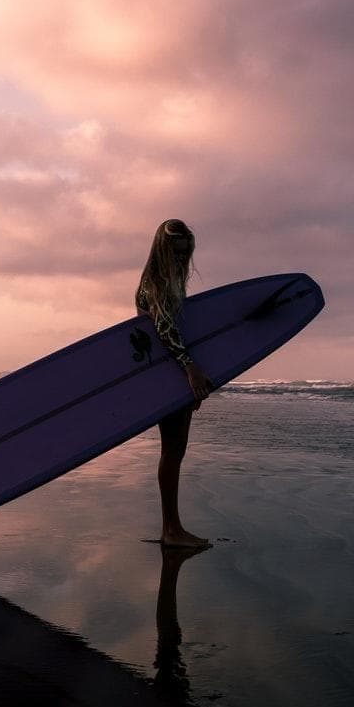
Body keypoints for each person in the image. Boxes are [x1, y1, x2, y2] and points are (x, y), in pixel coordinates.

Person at [135, 219, 213, 546]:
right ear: (164, 251)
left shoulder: (164, 283)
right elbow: (165, 331)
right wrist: (190, 369)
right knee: (172, 449)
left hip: (171, 376)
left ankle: (172, 527)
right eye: (177, 253)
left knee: (175, 448)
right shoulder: (156, 284)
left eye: (185, 253)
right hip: (167, 375)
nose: (182, 260)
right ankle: (171, 530)